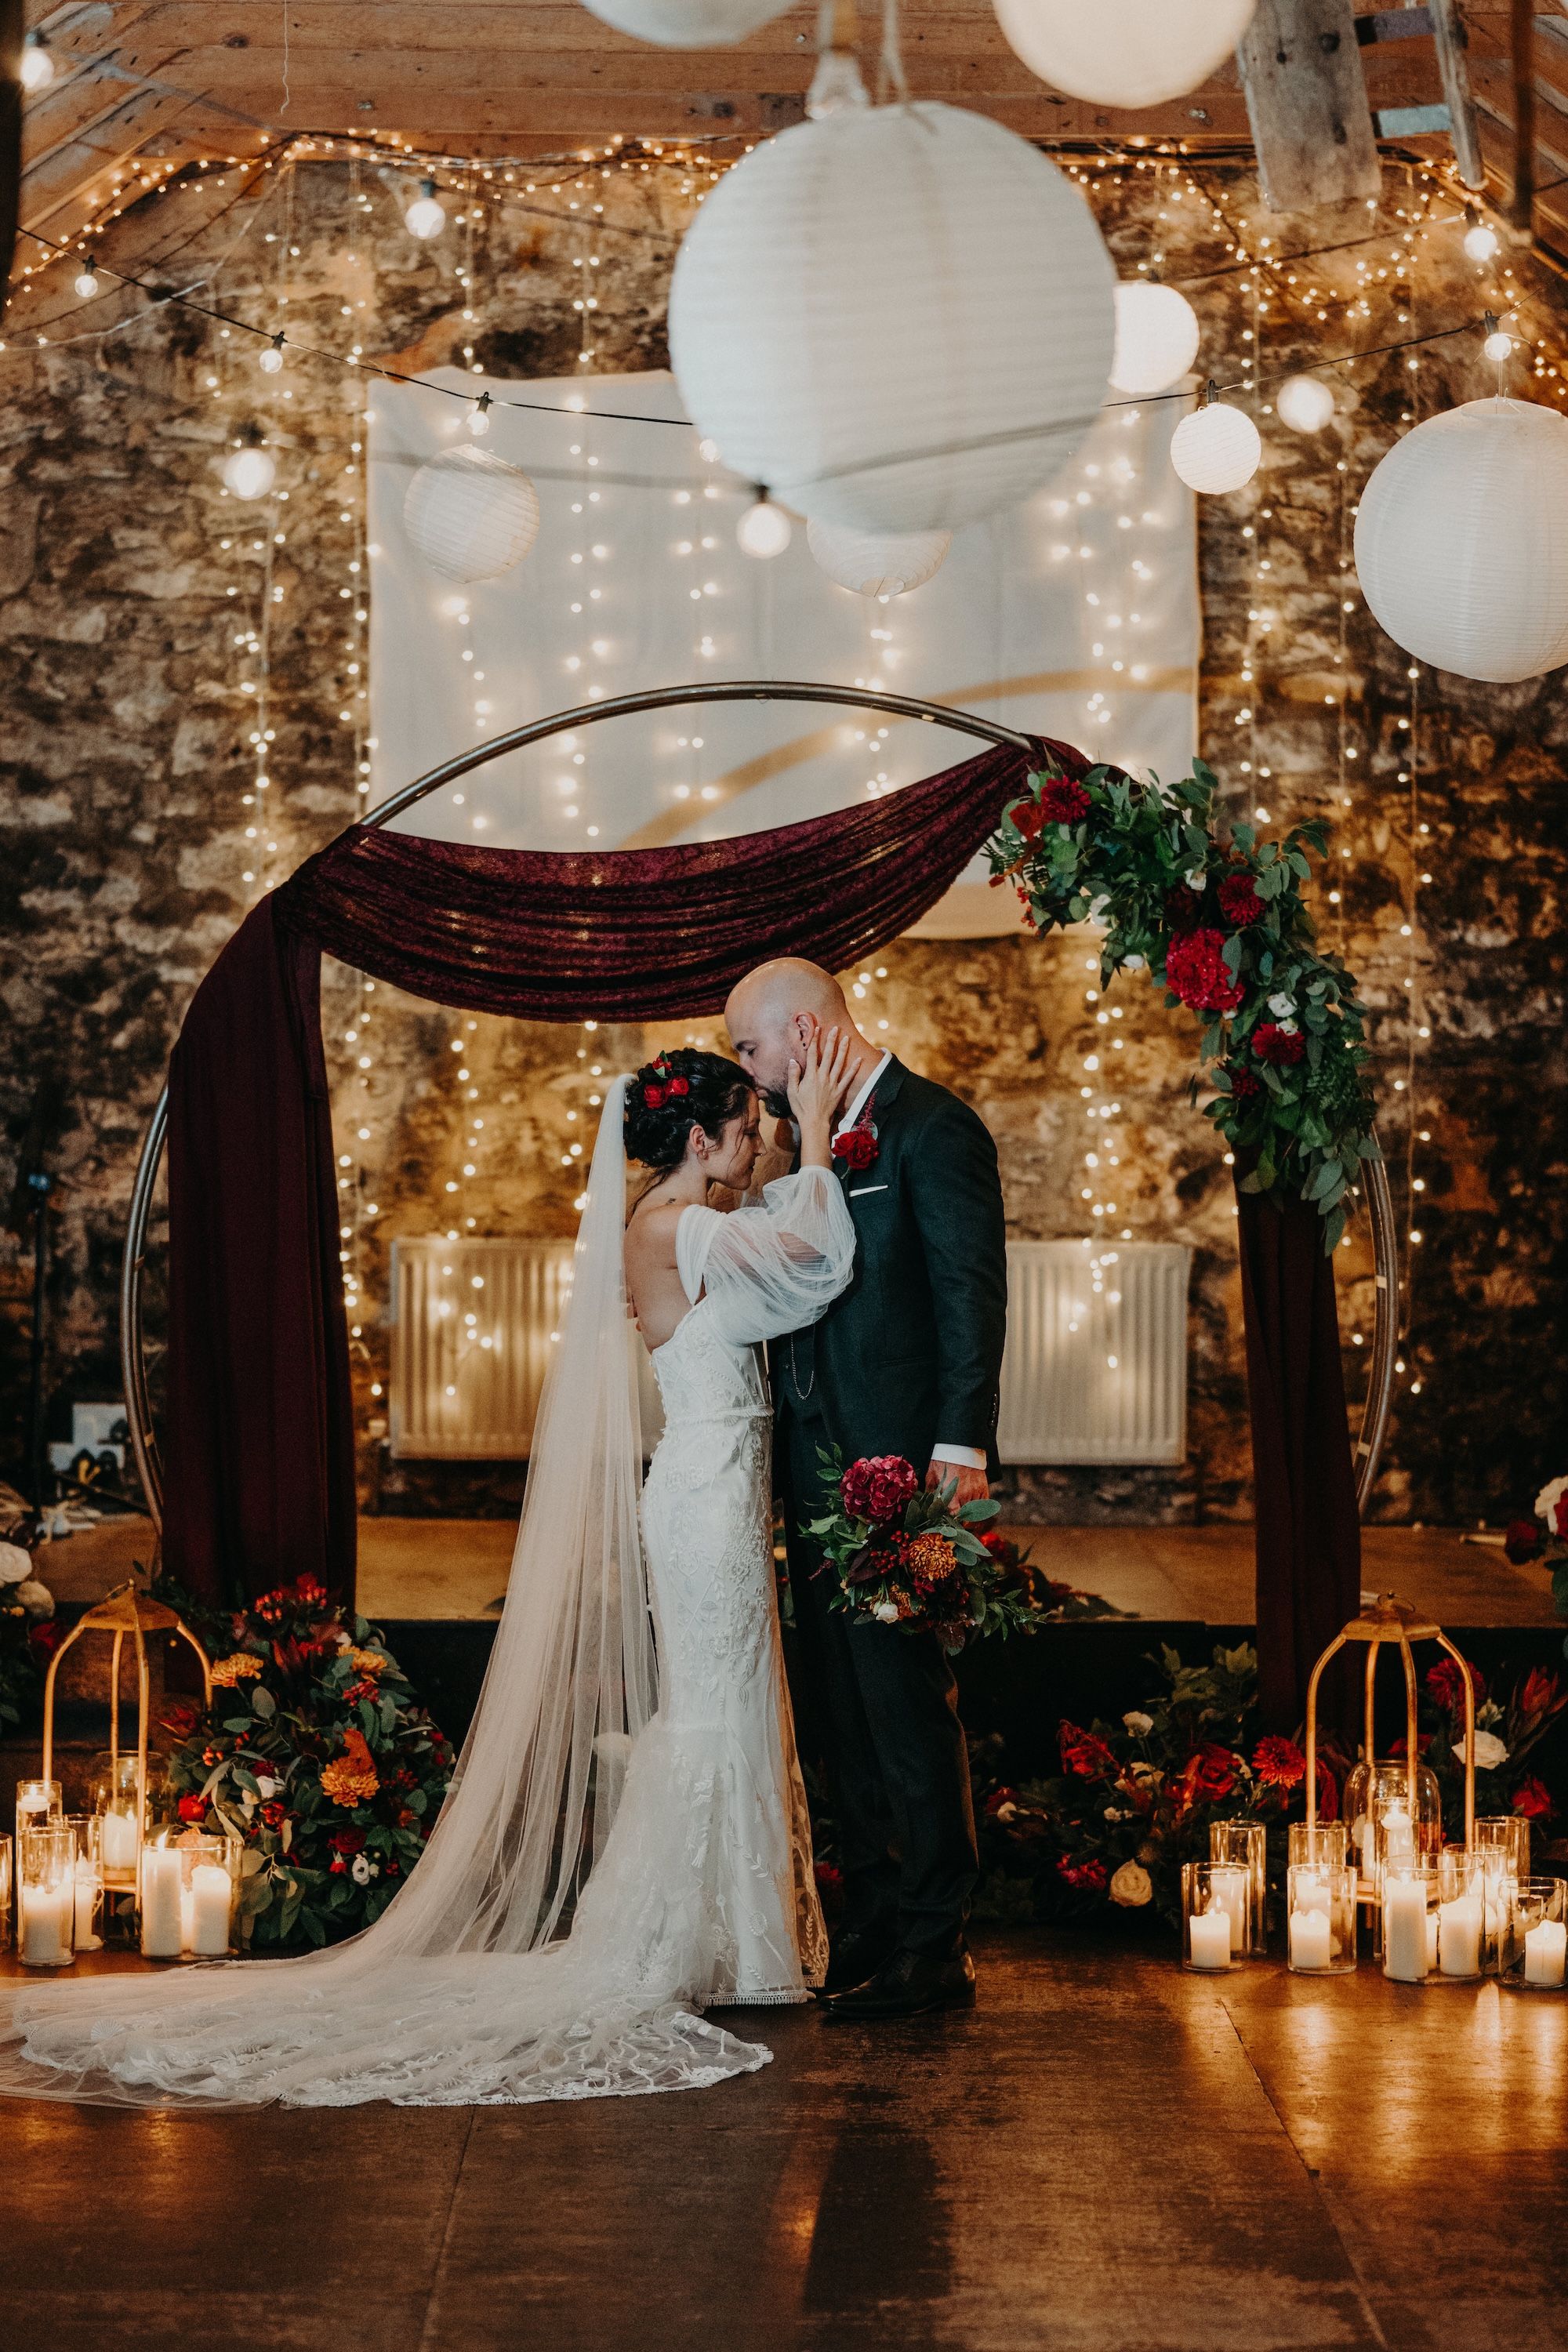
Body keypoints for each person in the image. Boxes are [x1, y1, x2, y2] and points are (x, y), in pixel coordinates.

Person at [0, 1031, 855, 2109]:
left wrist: (788, 1160)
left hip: (711, 1486)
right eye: (748, 1127)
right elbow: (820, 1267)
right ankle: (709, 1941)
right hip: (703, 1498)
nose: (764, 1138)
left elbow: (781, 1247)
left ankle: (729, 1938)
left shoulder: (680, 1220)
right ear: (699, 1139)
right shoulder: (684, 1229)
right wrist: (819, 1139)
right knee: (716, 1704)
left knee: (722, 1700)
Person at [725, 959, 1008, 2021]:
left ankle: (936, 1944)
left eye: (751, 1051)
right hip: (807, 1462)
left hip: (898, 1465)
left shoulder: (933, 1129)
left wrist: (961, 1451)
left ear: (801, 1032)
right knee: (840, 1706)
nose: (748, 1077)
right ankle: (874, 1925)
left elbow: (968, 1298)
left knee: (903, 1700)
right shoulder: (804, 1140)